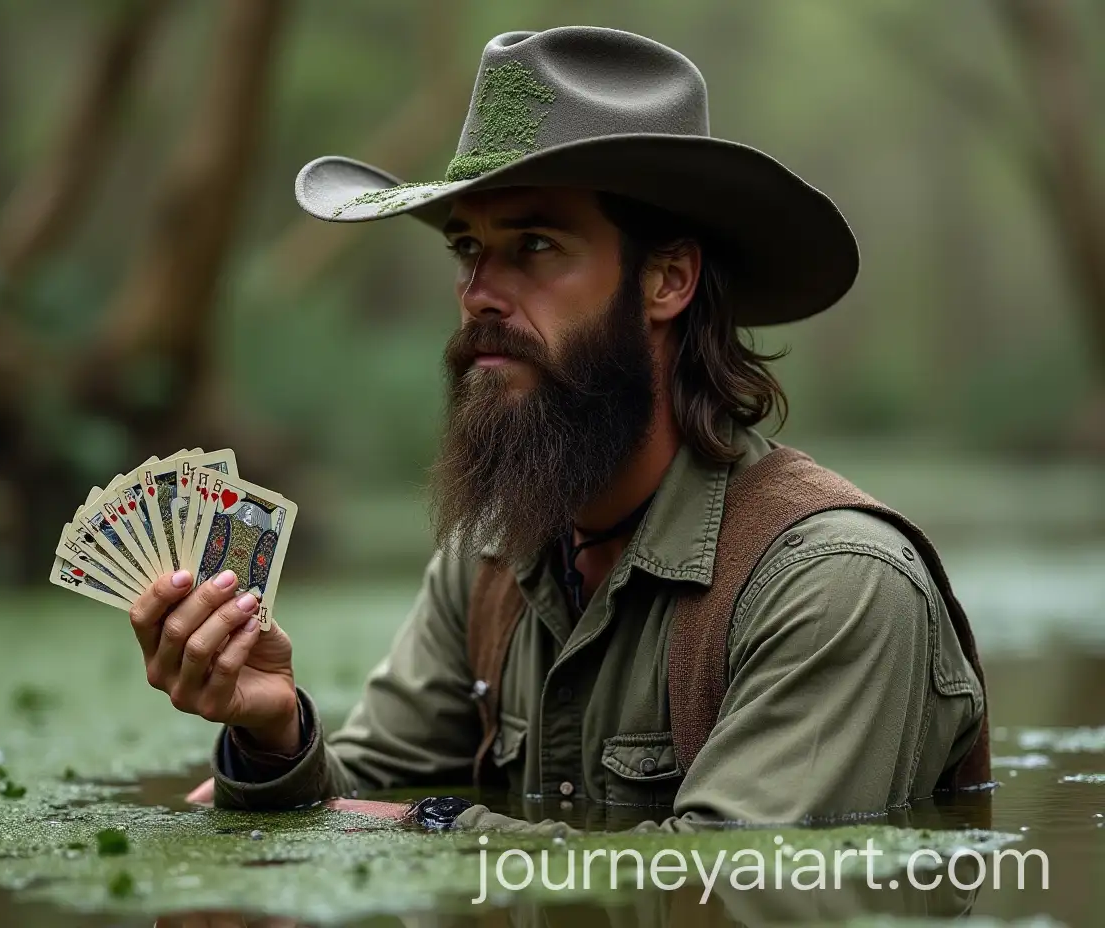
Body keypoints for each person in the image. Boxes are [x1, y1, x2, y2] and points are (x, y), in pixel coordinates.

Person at [125, 26, 989, 833]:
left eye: (534, 245)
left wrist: (430, 826)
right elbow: (355, 795)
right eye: (469, 249)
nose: (479, 294)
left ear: (668, 281)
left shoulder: (837, 585)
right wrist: (274, 735)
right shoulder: (495, 556)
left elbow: (728, 886)